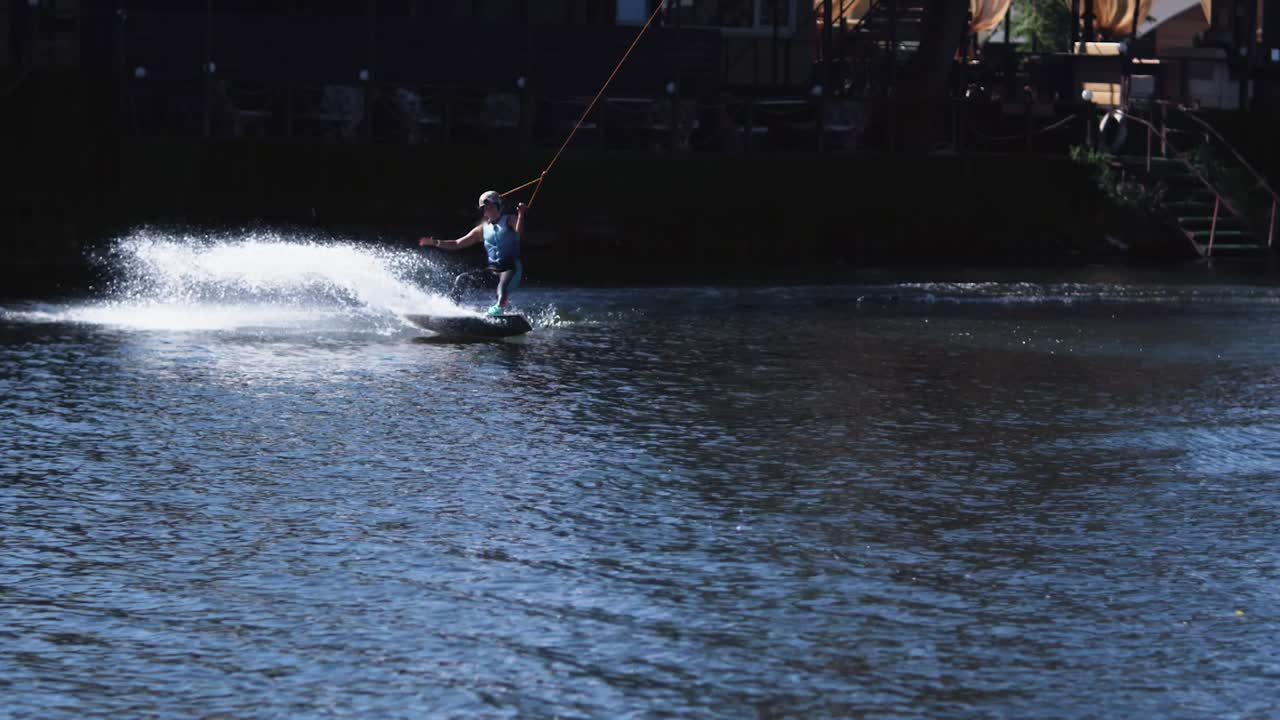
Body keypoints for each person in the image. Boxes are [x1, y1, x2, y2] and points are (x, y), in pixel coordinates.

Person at [420, 190, 526, 316]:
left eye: (491, 207)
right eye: (485, 208)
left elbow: (519, 233)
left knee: (501, 288)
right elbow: (457, 243)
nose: (488, 210)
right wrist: (436, 242)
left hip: (511, 269)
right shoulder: (482, 229)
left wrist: (521, 215)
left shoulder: (510, 220)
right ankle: (450, 308)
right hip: (493, 270)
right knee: (462, 279)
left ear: (498, 207)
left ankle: (498, 308)